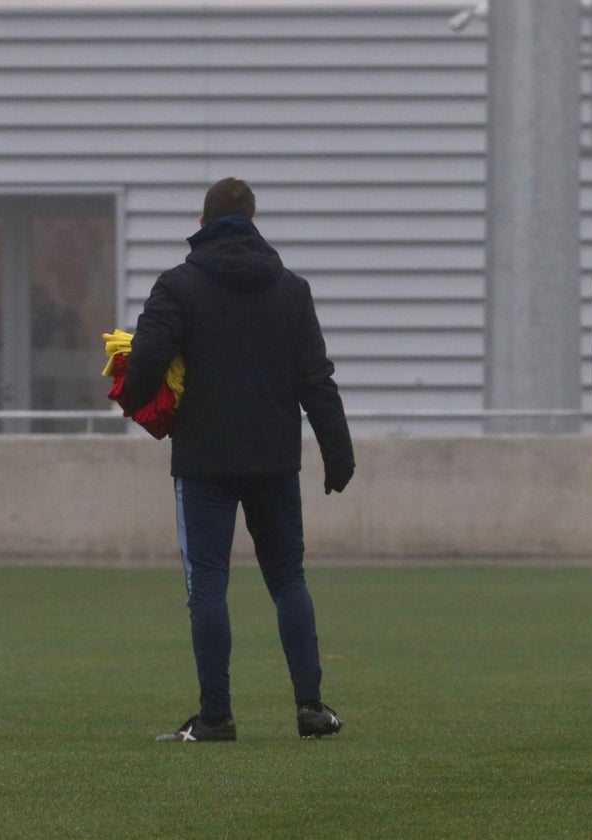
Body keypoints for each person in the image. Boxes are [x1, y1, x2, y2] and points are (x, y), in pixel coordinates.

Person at [121, 178, 356, 741]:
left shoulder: (178, 285)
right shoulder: (291, 290)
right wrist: (337, 451)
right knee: (288, 581)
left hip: (203, 460)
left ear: (202, 223)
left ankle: (216, 718)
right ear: (253, 220)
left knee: (207, 585)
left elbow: (148, 357)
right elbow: (315, 379)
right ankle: (311, 709)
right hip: (274, 459)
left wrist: (134, 400)